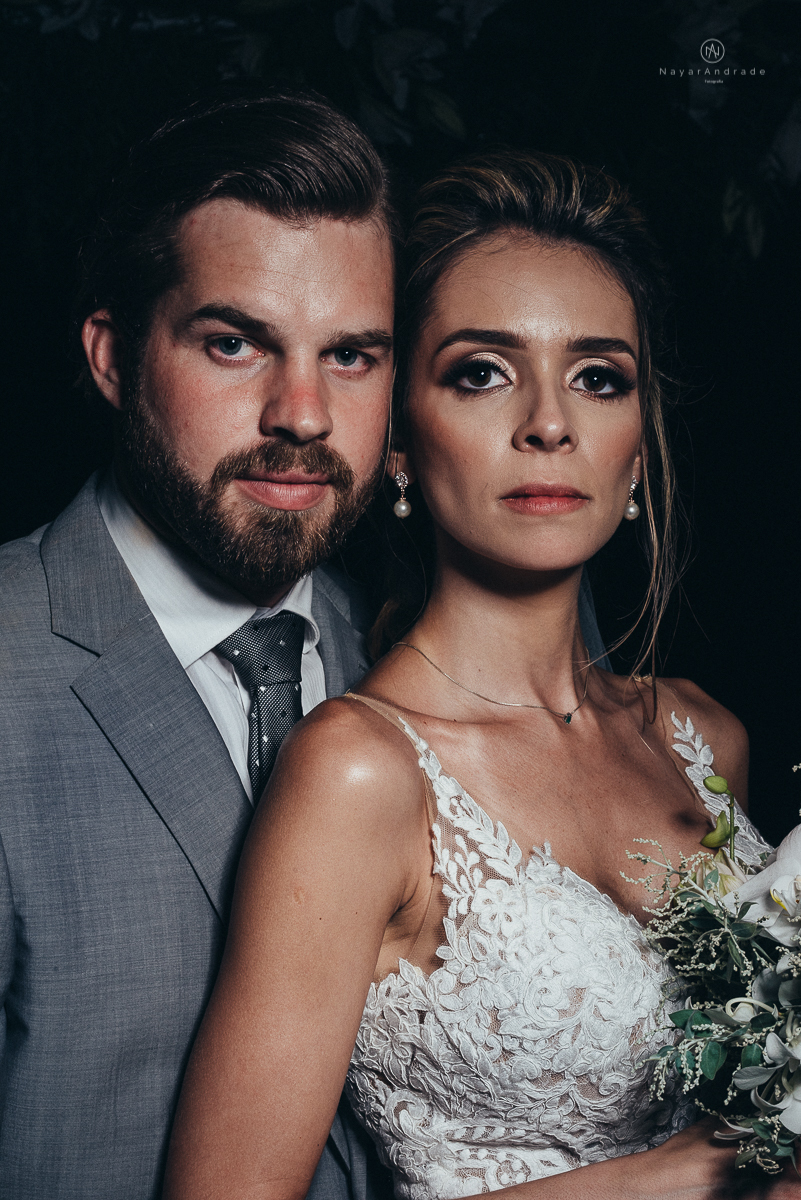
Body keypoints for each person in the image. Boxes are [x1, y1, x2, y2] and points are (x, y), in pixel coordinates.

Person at [163, 149, 796, 1200]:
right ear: (403, 440)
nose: (549, 424)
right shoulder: (360, 774)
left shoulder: (703, 739)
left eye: (599, 378)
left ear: (636, 452)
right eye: (481, 372)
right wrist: (683, 1177)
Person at [0, 89, 403, 1200]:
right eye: (236, 344)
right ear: (113, 356)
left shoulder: (412, 660)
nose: (304, 414)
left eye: (354, 356)